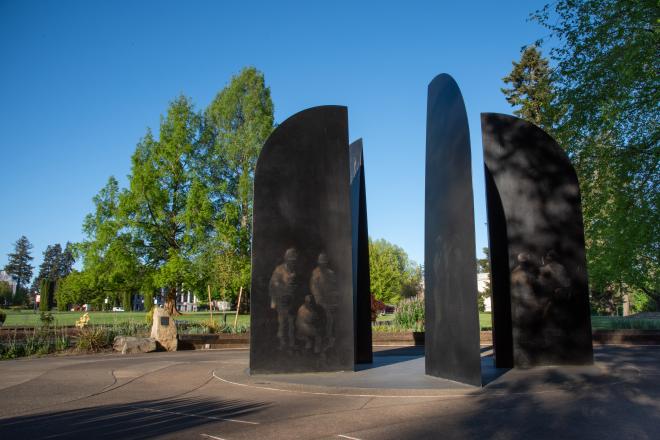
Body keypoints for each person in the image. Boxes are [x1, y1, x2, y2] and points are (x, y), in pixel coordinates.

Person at [269, 248, 299, 350]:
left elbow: (297, 286)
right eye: (291, 260)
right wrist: (284, 289)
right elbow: (274, 284)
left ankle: (292, 343)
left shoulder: (295, 270)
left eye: (294, 260)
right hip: (281, 300)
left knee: (292, 322)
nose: (292, 262)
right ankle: (282, 343)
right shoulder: (279, 269)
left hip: (292, 300)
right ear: (286, 259)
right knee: (283, 323)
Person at [310, 253, 339, 348]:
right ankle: (321, 341)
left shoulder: (331, 273)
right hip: (320, 303)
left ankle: (330, 341)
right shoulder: (315, 273)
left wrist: (335, 300)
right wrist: (320, 302)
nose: (323, 264)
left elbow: (335, 288)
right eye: (321, 262)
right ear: (318, 263)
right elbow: (314, 289)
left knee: (332, 320)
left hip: (331, 302)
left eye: (324, 262)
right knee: (323, 321)